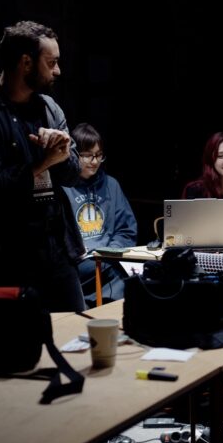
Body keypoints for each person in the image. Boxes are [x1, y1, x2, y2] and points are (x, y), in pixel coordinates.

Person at [0, 20, 85, 312]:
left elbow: (74, 174)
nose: (58, 71)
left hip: (55, 248)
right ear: (26, 63)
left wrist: (62, 152)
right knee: (14, 337)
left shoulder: (50, 108)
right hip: (5, 256)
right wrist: (42, 162)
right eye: (51, 63)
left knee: (75, 328)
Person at [63, 123, 138, 306]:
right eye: (88, 155)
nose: (95, 161)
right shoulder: (62, 188)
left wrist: (110, 252)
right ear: (73, 155)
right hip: (78, 264)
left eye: (98, 155)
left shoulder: (111, 185)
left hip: (107, 260)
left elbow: (127, 230)